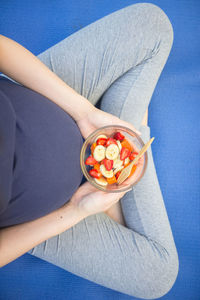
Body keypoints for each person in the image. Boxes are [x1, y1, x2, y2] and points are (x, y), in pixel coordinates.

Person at [0, 3, 179, 299]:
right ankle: (127, 138)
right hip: (41, 216)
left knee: (153, 26)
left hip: (50, 97)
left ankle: (122, 143)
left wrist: (84, 112)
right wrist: (76, 211)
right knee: (158, 276)